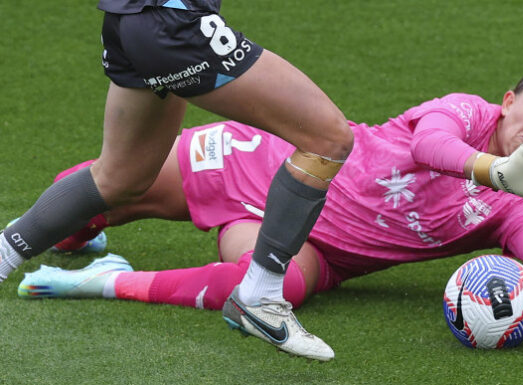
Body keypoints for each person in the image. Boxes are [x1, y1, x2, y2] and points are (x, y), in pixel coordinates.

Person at [16, 68, 523, 318]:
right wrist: (494, 170)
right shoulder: (464, 113)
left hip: (319, 250)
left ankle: (105, 280)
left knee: (270, 292)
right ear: (508, 103)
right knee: (93, 192)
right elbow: (432, 149)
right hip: (269, 165)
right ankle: (84, 237)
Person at [0, 0, 357, 361]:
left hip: (128, 20)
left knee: (120, 179)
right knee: (328, 140)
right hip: (174, 24)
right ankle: (259, 298)